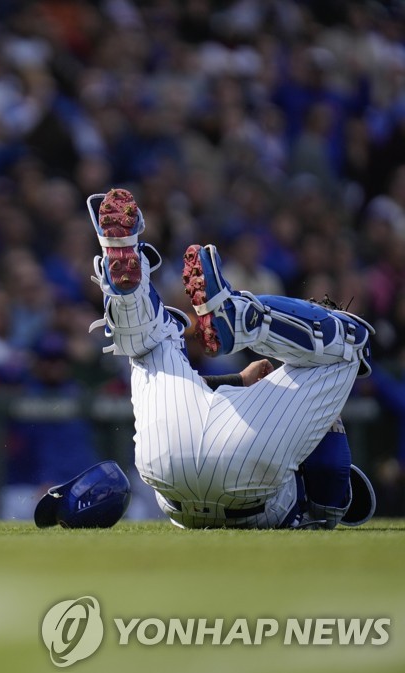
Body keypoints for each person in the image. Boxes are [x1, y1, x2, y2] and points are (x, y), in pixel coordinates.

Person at [82, 188, 375, 529]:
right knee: (154, 347)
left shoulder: (280, 431)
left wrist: (247, 385)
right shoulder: (288, 433)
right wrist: (239, 381)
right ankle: (231, 317)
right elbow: (331, 470)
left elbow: (332, 469)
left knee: (153, 342)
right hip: (206, 494)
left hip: (172, 465)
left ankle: (139, 299)